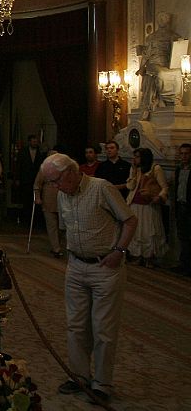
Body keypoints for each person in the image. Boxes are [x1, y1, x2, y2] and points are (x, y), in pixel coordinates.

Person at [41, 153, 137, 406]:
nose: (55, 187)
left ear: (70, 172)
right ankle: (80, 376)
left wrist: (119, 251)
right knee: (76, 325)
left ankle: (102, 383)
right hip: (76, 266)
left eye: (56, 181)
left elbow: (129, 220)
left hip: (105, 267)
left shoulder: (101, 188)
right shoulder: (63, 194)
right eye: (51, 182)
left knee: (103, 328)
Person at [125, 148, 167, 267]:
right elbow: (130, 186)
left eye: (137, 157)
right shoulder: (135, 169)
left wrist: (159, 197)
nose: (135, 159)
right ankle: (138, 256)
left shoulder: (155, 168)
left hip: (149, 205)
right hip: (135, 204)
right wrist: (133, 172)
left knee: (149, 231)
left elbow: (164, 187)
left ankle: (149, 258)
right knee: (137, 232)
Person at [136, 11, 181, 116]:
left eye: (164, 18)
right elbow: (146, 55)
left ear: (168, 21)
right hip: (154, 63)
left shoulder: (173, 35)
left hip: (167, 64)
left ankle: (174, 100)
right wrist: (141, 67)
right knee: (160, 73)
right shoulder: (151, 37)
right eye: (160, 18)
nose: (162, 20)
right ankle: (161, 98)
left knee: (178, 73)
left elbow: (178, 49)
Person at [34, 149, 63, 257]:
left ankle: (60, 245)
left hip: (61, 198)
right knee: (52, 225)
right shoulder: (44, 169)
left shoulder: (63, 169)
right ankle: (56, 248)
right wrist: (37, 197)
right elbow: (37, 184)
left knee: (61, 226)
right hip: (49, 197)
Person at [17, 134, 44, 224]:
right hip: (26, 180)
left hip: (37, 179)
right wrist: (17, 179)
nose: (35, 143)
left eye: (36, 141)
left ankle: (36, 220)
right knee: (26, 200)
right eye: (33, 141)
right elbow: (19, 166)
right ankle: (26, 220)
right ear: (29, 142)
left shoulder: (41, 152)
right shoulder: (23, 152)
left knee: (37, 200)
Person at [174, 143, 191, 275]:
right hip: (180, 206)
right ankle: (183, 264)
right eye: (182, 154)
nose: (184, 156)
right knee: (182, 236)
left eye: (186, 153)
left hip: (189, 207)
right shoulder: (178, 169)